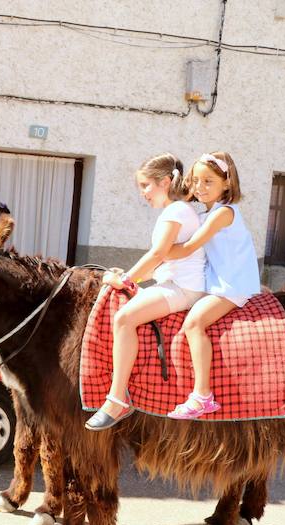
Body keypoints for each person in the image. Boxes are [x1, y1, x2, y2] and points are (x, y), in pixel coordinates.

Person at [85, 153, 205, 431]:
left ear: (164, 182)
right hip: (176, 283)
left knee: (124, 319)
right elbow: (162, 261)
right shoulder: (180, 210)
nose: (143, 194)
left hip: (182, 289)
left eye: (146, 186)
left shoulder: (174, 211)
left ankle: (117, 399)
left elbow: (158, 254)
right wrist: (127, 277)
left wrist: (126, 280)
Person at [164, 152, 260, 419]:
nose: (200, 187)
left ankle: (202, 396)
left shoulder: (224, 213)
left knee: (194, 322)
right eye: (195, 181)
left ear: (226, 183)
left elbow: (191, 246)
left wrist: (159, 252)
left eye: (208, 181)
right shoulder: (207, 214)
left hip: (232, 286)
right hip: (217, 282)